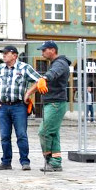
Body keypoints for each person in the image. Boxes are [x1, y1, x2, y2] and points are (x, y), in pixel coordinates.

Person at [0, 45, 42, 171]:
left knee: (21, 135)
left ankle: (25, 162)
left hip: (19, 106)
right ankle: (6, 162)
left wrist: (28, 93)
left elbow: (40, 81)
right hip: (3, 106)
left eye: (6, 53)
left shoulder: (24, 68)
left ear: (15, 55)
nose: (4, 55)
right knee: (5, 136)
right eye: (3, 53)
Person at [26, 41, 71, 173]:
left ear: (52, 50)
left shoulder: (60, 63)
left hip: (55, 104)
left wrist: (44, 78)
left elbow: (53, 73)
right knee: (53, 134)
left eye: (44, 50)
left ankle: (50, 159)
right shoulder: (57, 63)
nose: (42, 53)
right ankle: (55, 163)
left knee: (44, 132)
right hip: (53, 103)